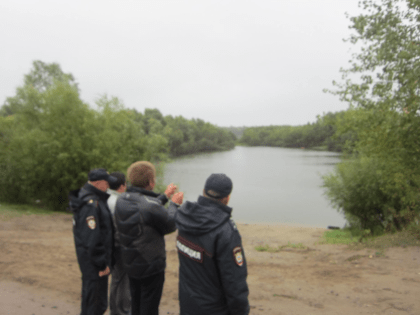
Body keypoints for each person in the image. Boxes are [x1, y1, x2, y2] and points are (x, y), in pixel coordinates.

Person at [114, 161, 184, 315]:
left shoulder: (122, 199)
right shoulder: (149, 206)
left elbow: (146, 209)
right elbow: (170, 224)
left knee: (136, 304)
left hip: (131, 262)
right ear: (151, 182)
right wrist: (174, 205)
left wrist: (165, 196)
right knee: (149, 308)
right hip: (150, 266)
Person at [175, 173, 250, 315]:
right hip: (214, 309)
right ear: (227, 198)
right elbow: (234, 282)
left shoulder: (185, 216)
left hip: (187, 304)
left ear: (203, 192)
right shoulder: (225, 231)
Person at [68, 168, 117, 315]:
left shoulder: (92, 198)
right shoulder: (90, 203)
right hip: (94, 264)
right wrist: (101, 263)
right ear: (99, 183)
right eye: (107, 183)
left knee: (93, 302)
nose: (108, 187)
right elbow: (92, 238)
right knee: (95, 305)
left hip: (92, 262)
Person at [107, 172, 131, 315]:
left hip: (110, 245)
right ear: (122, 186)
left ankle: (115, 310)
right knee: (122, 280)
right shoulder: (117, 202)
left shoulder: (106, 198)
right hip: (119, 246)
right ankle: (121, 311)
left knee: (116, 279)